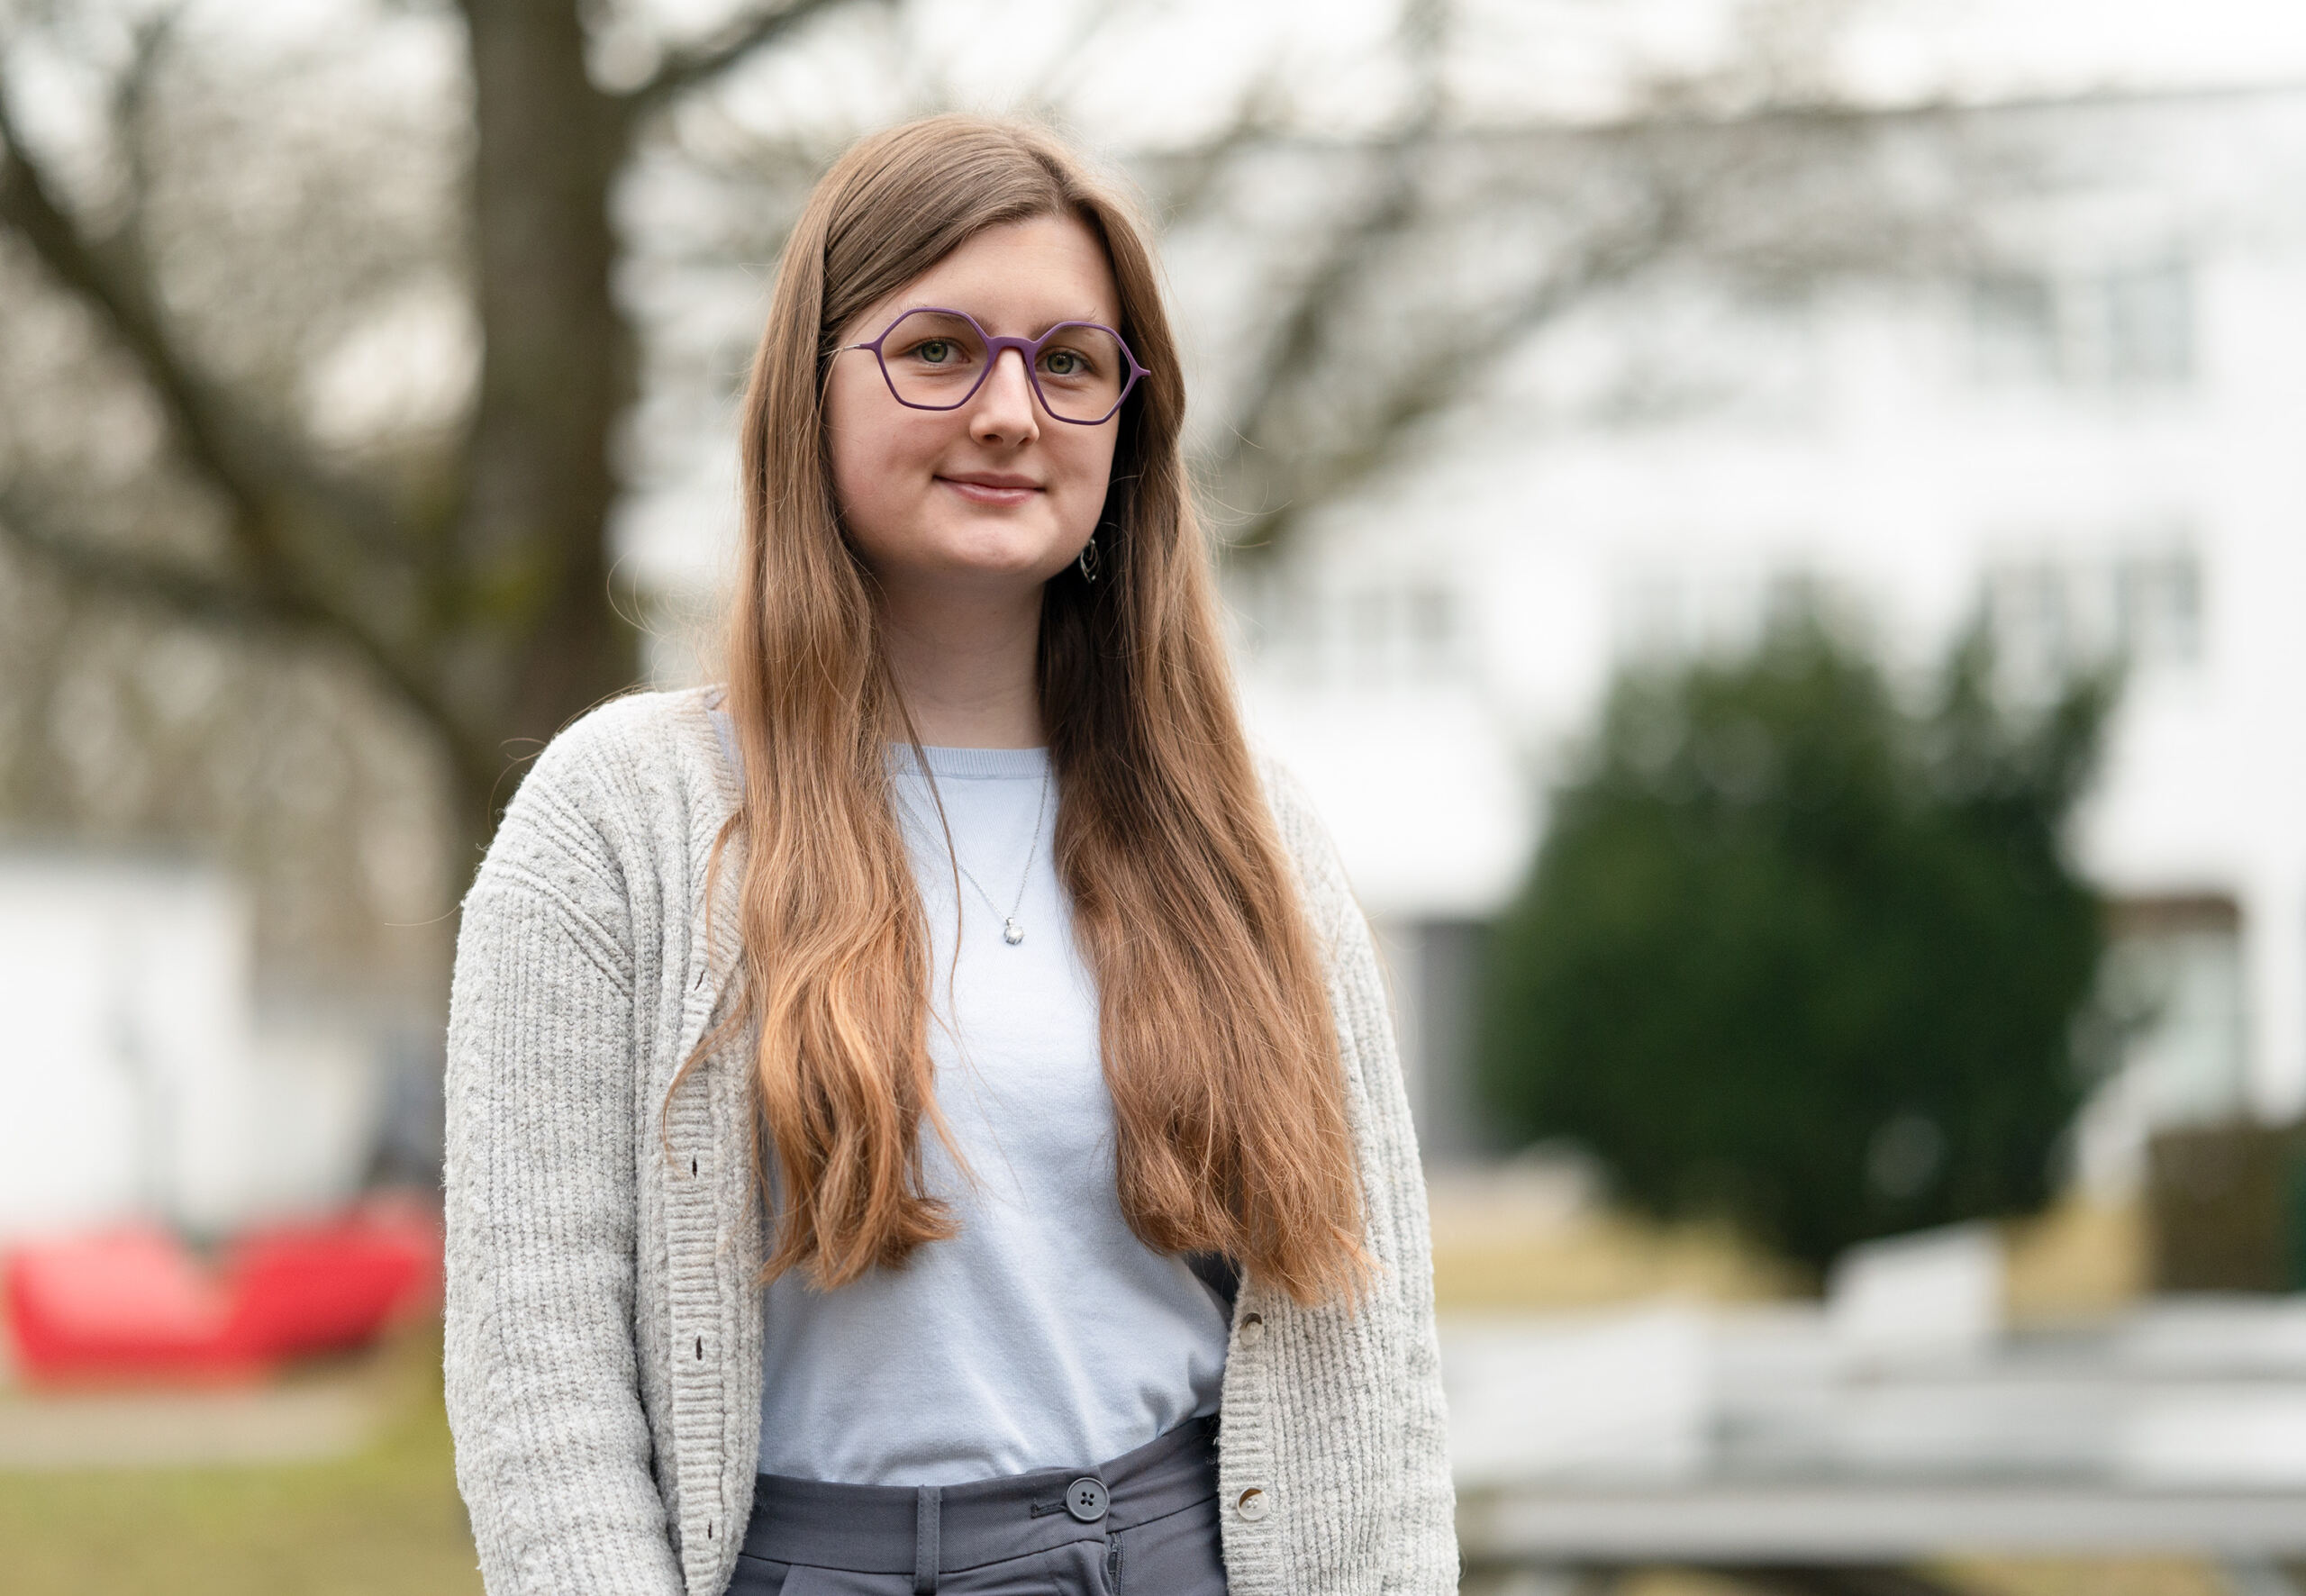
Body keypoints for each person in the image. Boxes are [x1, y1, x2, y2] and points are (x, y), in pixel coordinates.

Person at [442, 114, 1453, 1596]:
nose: (1008, 411)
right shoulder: (617, 823)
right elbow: (540, 1376)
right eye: (936, 349)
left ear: (1127, 419)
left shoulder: (1250, 832)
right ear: (813, 391)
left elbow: (1372, 1358)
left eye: (1069, 363)